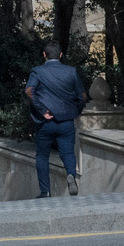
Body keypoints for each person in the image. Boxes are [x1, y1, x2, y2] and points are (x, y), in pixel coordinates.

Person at [25, 40, 86, 198]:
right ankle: (71, 175)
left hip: (45, 122)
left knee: (42, 156)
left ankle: (45, 191)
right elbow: (83, 96)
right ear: (60, 55)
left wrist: (42, 110)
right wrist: (76, 111)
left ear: (44, 55)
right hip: (66, 121)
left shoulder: (38, 71)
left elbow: (30, 91)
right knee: (68, 153)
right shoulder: (71, 71)